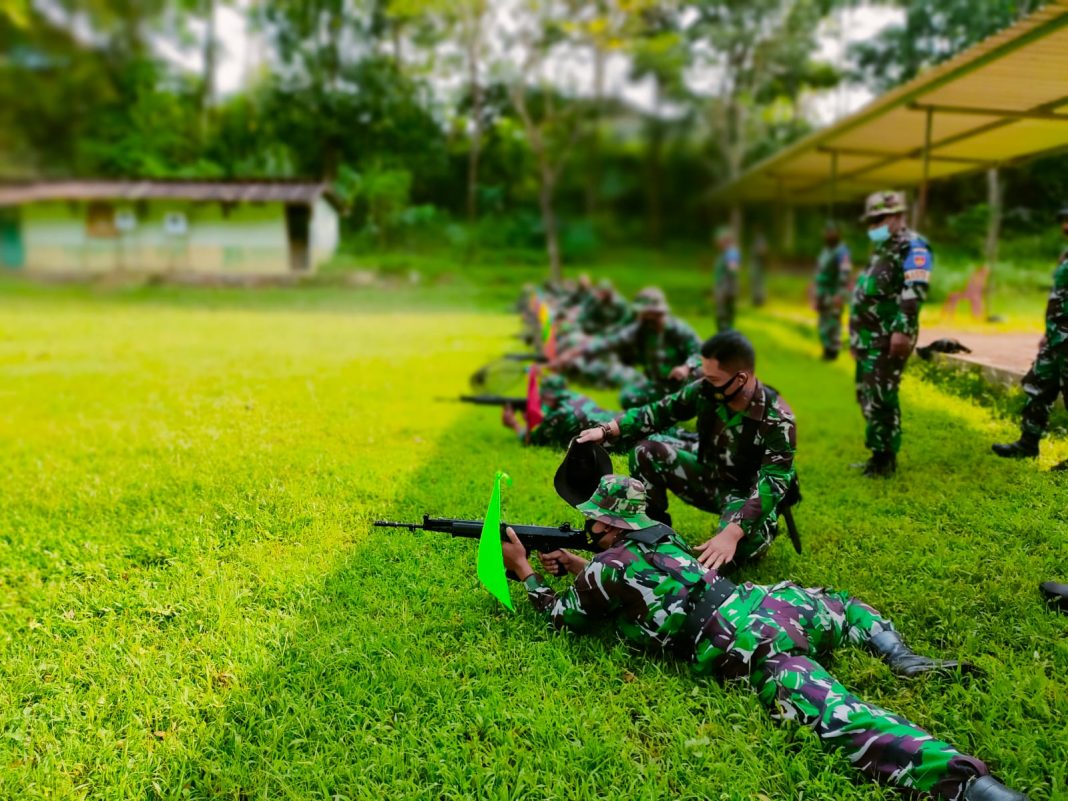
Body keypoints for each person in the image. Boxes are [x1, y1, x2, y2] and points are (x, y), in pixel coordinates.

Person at [500, 473, 1027, 801]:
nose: (588, 527)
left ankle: (971, 786)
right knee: (839, 604)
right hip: (764, 602)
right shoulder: (662, 536)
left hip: (743, 647)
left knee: (845, 720)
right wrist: (581, 563)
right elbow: (642, 578)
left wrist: (526, 570)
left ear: (606, 526)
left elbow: (561, 616)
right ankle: (900, 654)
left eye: (593, 521)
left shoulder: (604, 571)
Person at [574, 330, 795, 569]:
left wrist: (732, 534)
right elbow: (661, 411)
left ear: (741, 379)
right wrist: (606, 430)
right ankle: (649, 533)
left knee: (740, 547)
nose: (705, 384)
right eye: (705, 375)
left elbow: (773, 482)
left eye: (713, 379)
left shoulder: (777, 418)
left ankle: (749, 533)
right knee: (645, 452)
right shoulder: (707, 389)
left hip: (745, 495)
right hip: (709, 476)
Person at [849, 190, 933, 477]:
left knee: (882, 396)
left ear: (898, 216)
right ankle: (877, 453)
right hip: (868, 337)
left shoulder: (914, 248)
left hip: (888, 337)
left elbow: (914, 292)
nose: (875, 225)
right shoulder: (883, 249)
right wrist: (855, 338)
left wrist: (903, 331)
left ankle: (884, 460)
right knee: (867, 394)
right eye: (872, 220)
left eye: (881, 218)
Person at [992, 207, 1068, 471]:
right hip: (1057, 339)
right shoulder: (1065, 255)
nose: (1066, 226)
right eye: (1064, 221)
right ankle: (1027, 444)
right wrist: (1049, 333)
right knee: (1037, 387)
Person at [553, 287, 702, 409]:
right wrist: (574, 352)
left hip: (685, 383)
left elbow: (700, 352)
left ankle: (683, 405)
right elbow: (610, 342)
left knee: (700, 390)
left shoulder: (678, 329)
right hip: (660, 383)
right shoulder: (640, 329)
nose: (641, 316)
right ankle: (664, 408)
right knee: (628, 397)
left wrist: (686, 367)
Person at [812, 221, 853, 361]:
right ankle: (826, 349)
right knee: (823, 322)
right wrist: (815, 293)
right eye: (826, 231)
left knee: (833, 323)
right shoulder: (825, 250)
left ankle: (832, 352)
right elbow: (819, 270)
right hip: (823, 292)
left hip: (834, 292)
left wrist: (840, 295)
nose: (828, 234)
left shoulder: (842, 251)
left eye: (831, 231)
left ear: (838, 233)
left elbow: (845, 274)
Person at [714, 227, 741, 331]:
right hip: (724, 287)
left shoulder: (731, 252)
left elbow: (733, 268)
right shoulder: (726, 252)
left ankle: (726, 336)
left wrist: (728, 288)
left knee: (723, 314)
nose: (717, 243)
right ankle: (725, 335)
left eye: (719, 240)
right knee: (724, 314)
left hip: (726, 287)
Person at [750, 229, 768, 307]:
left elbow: (763, 251)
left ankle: (759, 300)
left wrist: (759, 253)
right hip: (756, 263)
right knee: (755, 282)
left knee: (758, 283)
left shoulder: (760, 240)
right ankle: (756, 299)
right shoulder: (757, 240)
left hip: (758, 264)